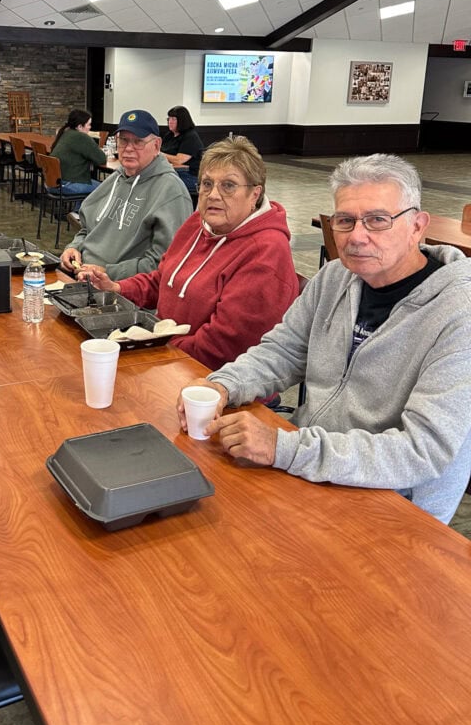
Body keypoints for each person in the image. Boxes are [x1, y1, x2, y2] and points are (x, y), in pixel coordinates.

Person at [176, 153, 471, 525]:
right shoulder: (335, 278)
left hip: (397, 510)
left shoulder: (459, 313)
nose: (357, 236)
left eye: (377, 220)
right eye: (345, 221)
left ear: (417, 226)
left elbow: (422, 452)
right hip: (310, 472)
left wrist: (282, 447)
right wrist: (223, 385)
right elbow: (282, 351)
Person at [88, 135, 298, 371]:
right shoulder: (198, 224)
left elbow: (223, 348)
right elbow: (163, 278)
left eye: (228, 185)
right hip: (170, 354)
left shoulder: (265, 253)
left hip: (215, 380)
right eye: (207, 184)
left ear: (255, 194)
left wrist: (155, 350)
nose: (214, 195)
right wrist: (117, 288)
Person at [60, 109, 191, 282]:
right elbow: (88, 228)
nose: (129, 148)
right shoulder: (115, 179)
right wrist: (74, 247)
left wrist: (108, 272)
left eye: (138, 142)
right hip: (82, 276)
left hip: (122, 292)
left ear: (157, 145)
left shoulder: (171, 192)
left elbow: (165, 263)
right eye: (123, 140)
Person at [50, 109, 107, 205]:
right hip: (67, 185)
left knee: (86, 182)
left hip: (54, 184)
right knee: (107, 188)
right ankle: (85, 215)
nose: (90, 127)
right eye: (88, 124)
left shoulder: (65, 133)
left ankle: (77, 214)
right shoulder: (81, 137)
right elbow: (102, 159)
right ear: (80, 126)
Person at [160, 106, 204, 196]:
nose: (170, 122)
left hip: (189, 175)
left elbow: (179, 160)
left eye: (173, 119)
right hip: (172, 172)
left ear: (182, 121)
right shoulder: (169, 135)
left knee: (161, 185)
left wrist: (159, 154)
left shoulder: (191, 136)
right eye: (169, 119)